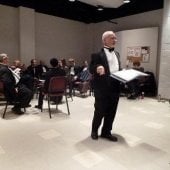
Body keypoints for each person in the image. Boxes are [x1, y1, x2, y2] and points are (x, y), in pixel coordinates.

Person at [89, 31, 121, 142]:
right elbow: (91, 68)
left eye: (115, 38)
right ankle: (94, 131)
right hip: (102, 88)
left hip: (115, 86)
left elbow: (116, 69)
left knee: (112, 111)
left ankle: (106, 132)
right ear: (104, 40)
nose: (115, 40)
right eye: (112, 38)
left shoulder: (117, 54)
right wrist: (97, 67)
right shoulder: (97, 55)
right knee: (99, 111)